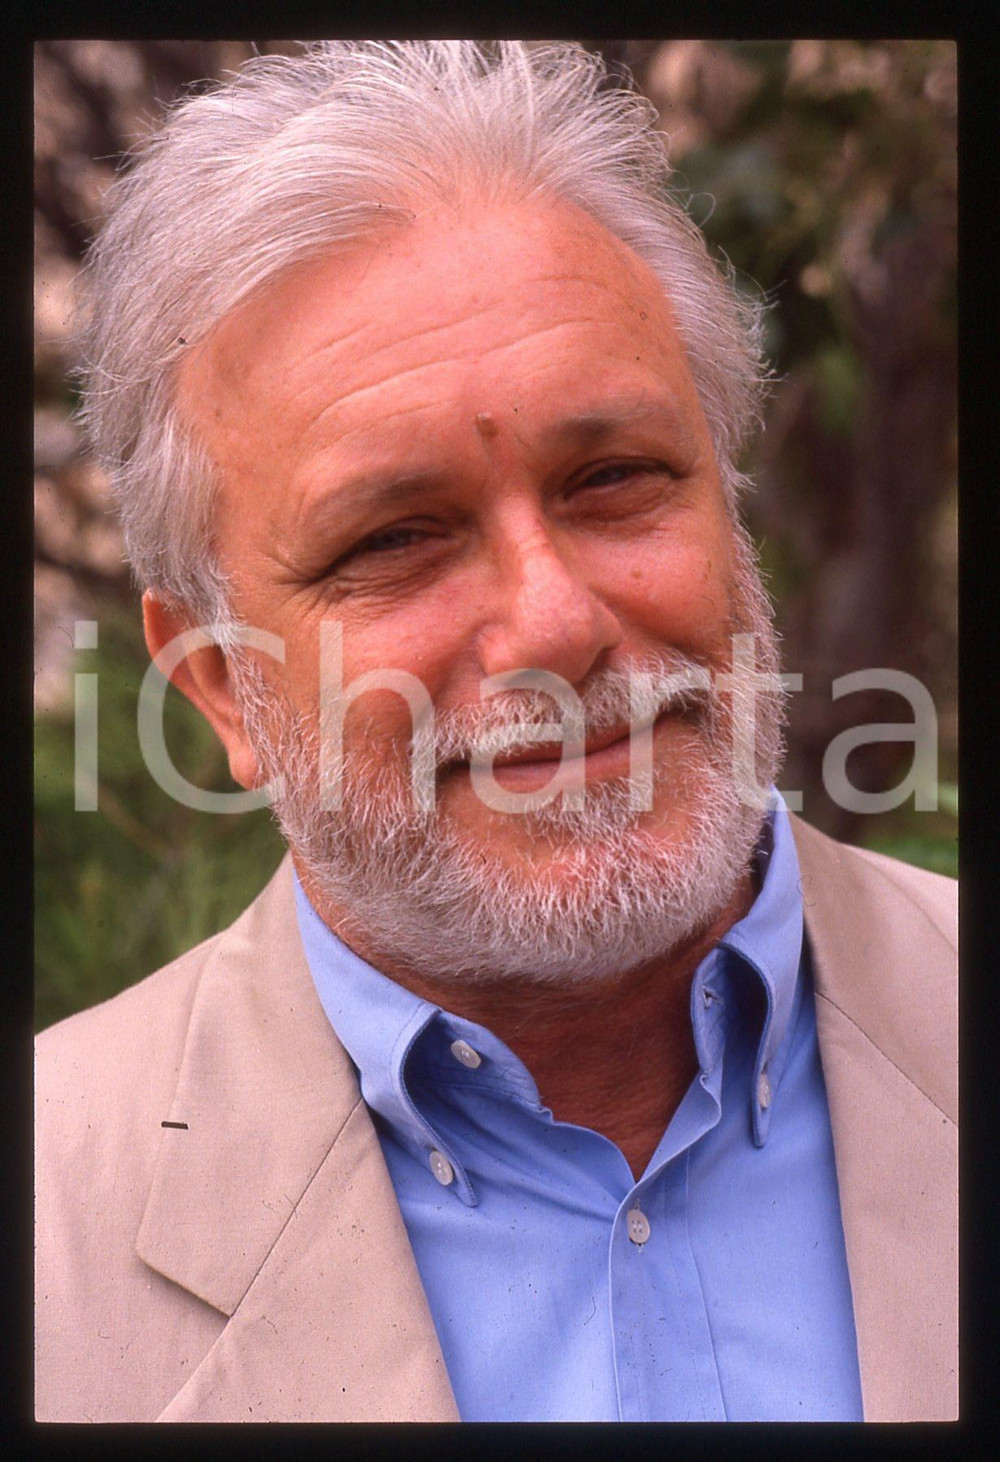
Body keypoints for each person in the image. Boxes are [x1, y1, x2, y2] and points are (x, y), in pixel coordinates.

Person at [34, 41, 956, 1423]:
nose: (555, 622)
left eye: (616, 479)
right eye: (395, 538)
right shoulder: (53, 1221)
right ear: (222, 690)